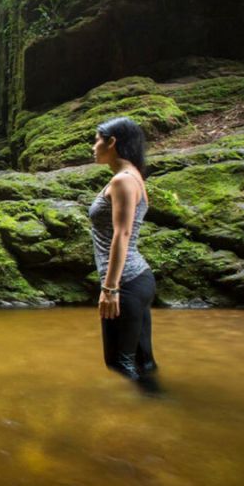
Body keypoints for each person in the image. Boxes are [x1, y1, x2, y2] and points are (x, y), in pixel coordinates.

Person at [88, 117, 157, 382]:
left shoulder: (123, 181)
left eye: (97, 140)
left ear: (112, 142)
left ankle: (151, 409)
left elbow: (123, 233)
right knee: (142, 361)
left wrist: (110, 289)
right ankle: (159, 408)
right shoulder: (133, 177)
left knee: (119, 362)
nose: (93, 147)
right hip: (136, 280)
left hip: (126, 283)